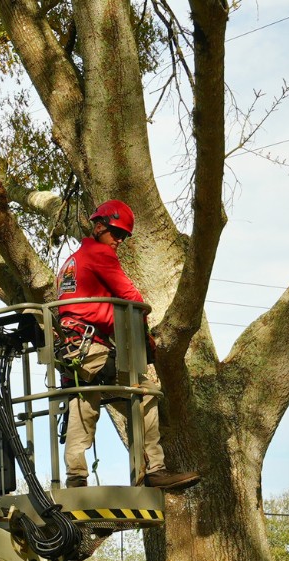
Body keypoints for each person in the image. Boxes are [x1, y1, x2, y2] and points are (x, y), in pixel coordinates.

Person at [54, 199, 200, 491]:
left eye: (123, 236)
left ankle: (76, 478)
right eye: (116, 233)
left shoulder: (71, 261)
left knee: (83, 401)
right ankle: (154, 471)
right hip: (89, 346)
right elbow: (131, 299)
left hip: (70, 348)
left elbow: (90, 308)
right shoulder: (100, 254)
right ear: (99, 226)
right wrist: (144, 338)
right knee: (144, 394)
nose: (119, 240)